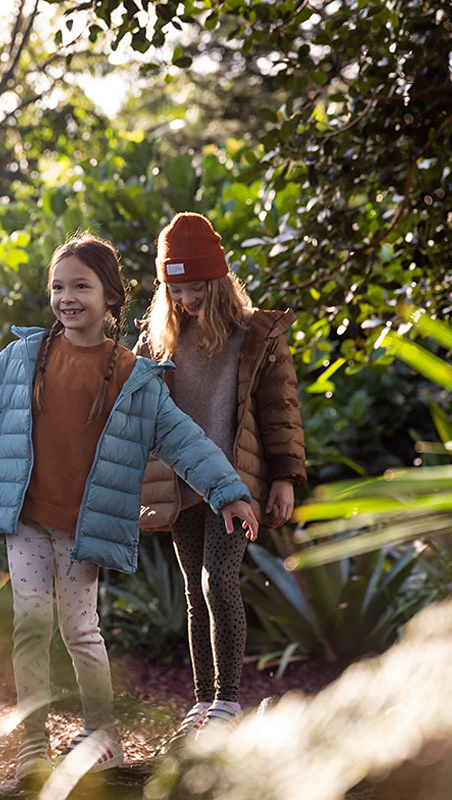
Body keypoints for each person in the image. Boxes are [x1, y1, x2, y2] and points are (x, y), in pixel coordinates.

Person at [0, 231, 259, 781]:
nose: (67, 297)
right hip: (27, 521)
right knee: (30, 626)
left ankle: (101, 736)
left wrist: (228, 491)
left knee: (80, 631)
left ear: (111, 296)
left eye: (81, 286)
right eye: (58, 286)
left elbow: (184, 441)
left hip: (82, 529)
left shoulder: (133, 379)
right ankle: (33, 748)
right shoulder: (25, 357)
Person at [134, 212, 306, 750]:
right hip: (181, 485)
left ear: (220, 282)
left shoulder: (256, 336)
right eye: (175, 290)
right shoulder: (160, 343)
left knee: (218, 580)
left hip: (239, 485)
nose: (186, 300)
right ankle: (204, 702)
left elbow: (281, 412)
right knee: (193, 591)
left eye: (195, 289)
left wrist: (285, 478)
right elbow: (129, 403)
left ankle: (228, 701)